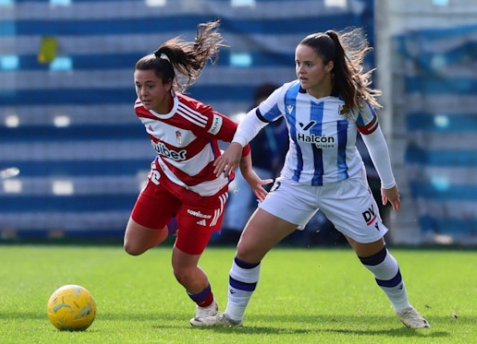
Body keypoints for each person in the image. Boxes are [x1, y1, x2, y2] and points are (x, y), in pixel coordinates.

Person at [190, 28, 430, 329]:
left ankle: (404, 308)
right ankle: (232, 318)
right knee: (247, 249)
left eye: (308, 64)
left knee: (374, 256)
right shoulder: (288, 93)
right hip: (295, 185)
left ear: (329, 66)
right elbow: (254, 118)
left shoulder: (352, 101)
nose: (300, 71)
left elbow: (375, 141)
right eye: (297, 63)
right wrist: (237, 144)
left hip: (344, 189)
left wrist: (388, 183)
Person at [124, 20, 269, 323]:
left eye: (150, 86)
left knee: (182, 270)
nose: (143, 93)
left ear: (168, 85)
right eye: (138, 85)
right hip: (165, 181)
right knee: (133, 247)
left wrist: (248, 171)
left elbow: (240, 135)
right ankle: (178, 222)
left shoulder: (194, 114)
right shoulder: (140, 108)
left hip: (203, 194)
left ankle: (208, 310)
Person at [219, 83, 287, 245]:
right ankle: (233, 231)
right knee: (240, 196)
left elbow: (285, 149)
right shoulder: (252, 117)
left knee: (273, 205)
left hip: (278, 171)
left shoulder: (285, 120)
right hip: (251, 166)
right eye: (262, 101)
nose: (264, 105)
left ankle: (273, 235)